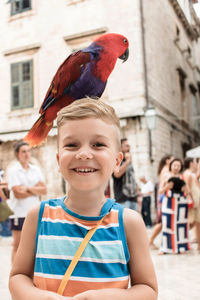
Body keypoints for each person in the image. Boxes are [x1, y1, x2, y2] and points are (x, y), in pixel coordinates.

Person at [9, 98, 158, 300]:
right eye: (71, 145)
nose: (84, 153)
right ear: (59, 160)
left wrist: (103, 297)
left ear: (117, 161)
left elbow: (148, 290)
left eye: (98, 144)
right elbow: (18, 277)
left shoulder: (129, 223)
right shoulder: (38, 217)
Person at [7, 141, 47, 263]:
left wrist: (27, 188)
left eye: (28, 151)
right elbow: (18, 194)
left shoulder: (35, 169)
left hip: (34, 212)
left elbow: (44, 190)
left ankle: (30, 271)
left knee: (34, 244)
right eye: (23, 151)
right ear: (17, 154)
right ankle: (15, 272)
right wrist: (35, 189)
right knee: (17, 245)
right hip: (18, 212)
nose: (27, 154)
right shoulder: (13, 170)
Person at [159, 158, 190, 254]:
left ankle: (181, 247)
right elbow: (160, 191)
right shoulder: (166, 175)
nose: (176, 167)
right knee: (167, 224)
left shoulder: (183, 176)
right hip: (168, 202)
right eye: (174, 165)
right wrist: (167, 187)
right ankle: (165, 248)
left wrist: (185, 189)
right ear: (171, 166)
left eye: (178, 165)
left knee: (181, 225)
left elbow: (188, 191)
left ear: (181, 167)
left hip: (181, 203)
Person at [149, 154, 173, 249]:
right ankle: (150, 241)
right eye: (172, 159)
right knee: (161, 221)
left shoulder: (164, 169)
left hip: (163, 196)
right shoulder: (166, 170)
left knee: (163, 220)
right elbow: (164, 185)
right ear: (167, 161)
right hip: (163, 196)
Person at [112, 138, 138, 210]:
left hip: (133, 198)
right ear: (120, 147)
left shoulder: (129, 161)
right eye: (126, 146)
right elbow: (117, 174)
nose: (129, 148)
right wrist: (127, 161)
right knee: (123, 221)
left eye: (129, 146)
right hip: (122, 198)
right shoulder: (116, 160)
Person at [183, 157, 200, 251]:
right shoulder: (188, 174)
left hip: (196, 201)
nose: (195, 163)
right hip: (193, 202)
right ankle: (181, 238)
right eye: (194, 162)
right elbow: (188, 188)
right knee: (193, 222)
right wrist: (192, 200)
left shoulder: (192, 174)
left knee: (197, 222)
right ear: (190, 163)